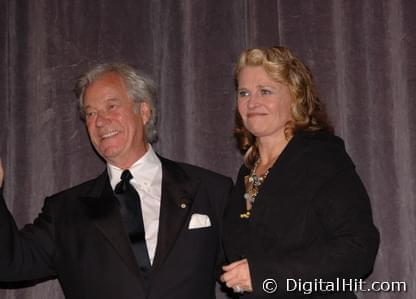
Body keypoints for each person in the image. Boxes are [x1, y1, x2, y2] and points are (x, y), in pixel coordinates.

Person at [0, 63, 233, 299]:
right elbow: (9, 263)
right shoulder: (64, 211)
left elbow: (252, 273)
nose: (100, 121)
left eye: (111, 106)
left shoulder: (210, 190)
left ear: (144, 112)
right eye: (90, 113)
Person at [220, 46, 379, 298]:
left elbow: (358, 249)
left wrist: (265, 275)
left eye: (265, 91)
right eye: (244, 92)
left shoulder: (321, 158)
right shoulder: (246, 174)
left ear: (295, 97)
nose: (252, 102)